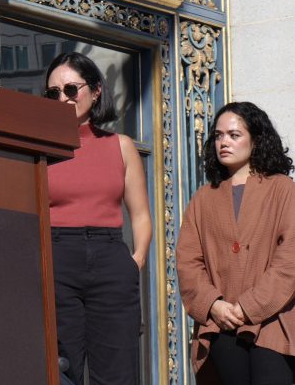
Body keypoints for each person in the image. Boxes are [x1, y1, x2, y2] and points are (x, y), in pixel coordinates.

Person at [44, 51, 152, 384]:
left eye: (71, 89)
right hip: (57, 257)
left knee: (118, 373)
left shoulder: (120, 145)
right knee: (62, 370)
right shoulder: (40, 146)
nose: (63, 98)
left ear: (95, 91)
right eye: (53, 93)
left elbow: (141, 215)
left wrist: (134, 262)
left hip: (110, 260)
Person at [177, 101, 295, 385]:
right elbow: (188, 262)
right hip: (221, 325)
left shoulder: (283, 189)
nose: (223, 143)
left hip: (274, 323)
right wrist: (214, 305)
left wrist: (249, 306)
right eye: (218, 136)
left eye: (234, 134)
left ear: (256, 140)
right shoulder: (203, 198)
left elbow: (290, 258)